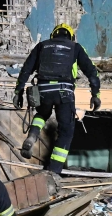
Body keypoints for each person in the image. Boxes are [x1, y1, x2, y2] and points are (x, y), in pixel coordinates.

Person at [13, 23, 101, 175]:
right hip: (64, 92)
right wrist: (95, 95)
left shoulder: (42, 46)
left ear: (53, 35)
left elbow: (26, 69)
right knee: (66, 132)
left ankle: (32, 135)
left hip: (43, 90)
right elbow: (92, 72)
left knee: (42, 114)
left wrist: (18, 91)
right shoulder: (75, 47)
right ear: (71, 36)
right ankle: (54, 172)